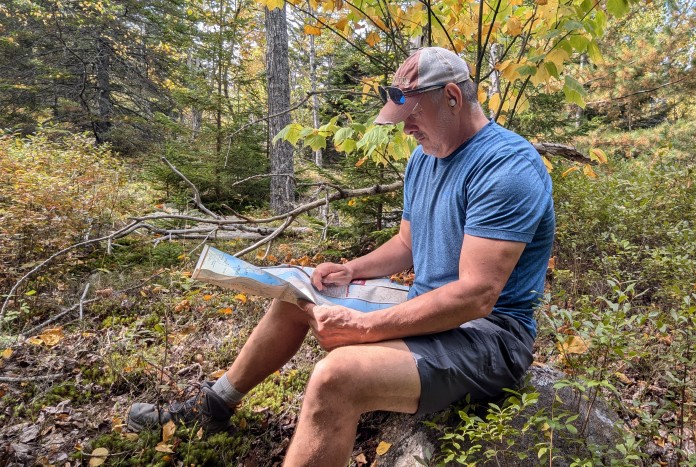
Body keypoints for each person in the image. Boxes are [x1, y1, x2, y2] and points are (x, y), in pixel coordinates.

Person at [127, 46, 555, 466]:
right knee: (298, 297)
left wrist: (366, 326)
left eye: (413, 117)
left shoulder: (506, 168)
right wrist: (352, 269)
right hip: (429, 310)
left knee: (336, 378)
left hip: (490, 337)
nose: (406, 130)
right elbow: (408, 243)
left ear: (453, 98)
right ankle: (215, 404)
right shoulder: (425, 158)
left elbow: (475, 296)